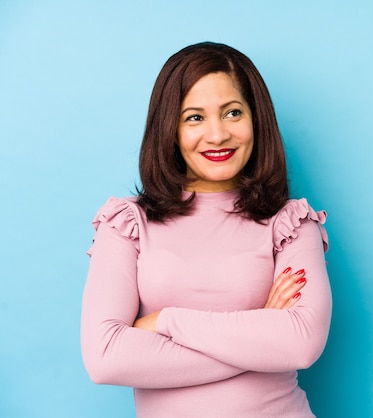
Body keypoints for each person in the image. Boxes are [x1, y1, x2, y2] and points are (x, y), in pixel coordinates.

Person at [80, 42, 332, 418]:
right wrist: (259, 338)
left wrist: (165, 322)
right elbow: (105, 359)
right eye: (194, 117)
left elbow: (301, 345)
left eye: (232, 112)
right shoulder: (128, 223)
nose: (216, 136)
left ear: (255, 119)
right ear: (170, 128)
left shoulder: (290, 223)